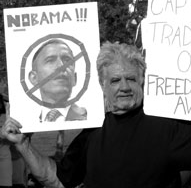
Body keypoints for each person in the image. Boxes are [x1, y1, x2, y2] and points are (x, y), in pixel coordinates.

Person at [2, 41, 191, 188]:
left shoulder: (169, 126)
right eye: (116, 80)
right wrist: (23, 145)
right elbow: (57, 180)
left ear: (142, 81)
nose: (124, 87)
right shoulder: (93, 132)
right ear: (103, 85)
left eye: (131, 79)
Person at [28, 39, 87, 159]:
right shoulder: (25, 120)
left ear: (74, 78)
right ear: (34, 78)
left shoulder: (90, 117)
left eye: (67, 60)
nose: (61, 66)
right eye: (50, 60)